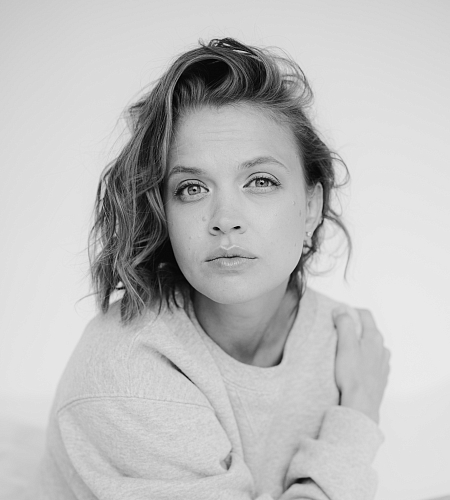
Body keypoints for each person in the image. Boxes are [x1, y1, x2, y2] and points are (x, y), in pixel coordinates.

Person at [31, 38, 390, 499]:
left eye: (260, 181)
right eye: (192, 188)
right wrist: (358, 416)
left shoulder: (345, 346)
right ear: (163, 212)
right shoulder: (126, 372)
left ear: (311, 206)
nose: (225, 218)